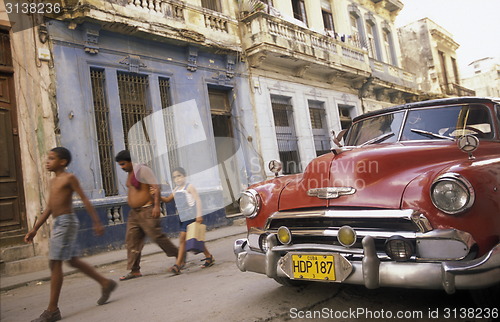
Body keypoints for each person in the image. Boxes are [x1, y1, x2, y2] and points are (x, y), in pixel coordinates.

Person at [25, 147, 117, 322]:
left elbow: (84, 199)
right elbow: (50, 207)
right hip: (59, 223)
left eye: (51, 158)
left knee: (55, 262)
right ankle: (106, 283)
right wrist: (35, 228)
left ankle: (52, 310)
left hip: (67, 222)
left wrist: (96, 222)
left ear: (63, 162)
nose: (47, 161)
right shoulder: (52, 182)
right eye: (48, 158)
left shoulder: (69, 178)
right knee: (72, 260)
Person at [115, 150, 178, 281]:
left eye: (123, 164)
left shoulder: (143, 170)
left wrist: (156, 206)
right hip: (134, 213)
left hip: (147, 210)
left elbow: (155, 187)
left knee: (157, 237)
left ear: (130, 161)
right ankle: (135, 270)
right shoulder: (130, 173)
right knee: (132, 240)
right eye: (120, 165)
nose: (122, 167)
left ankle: (179, 255)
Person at [160, 167, 214, 274]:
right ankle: (208, 256)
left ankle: (178, 264)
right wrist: (157, 195)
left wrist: (199, 215)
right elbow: (167, 200)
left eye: (179, 176)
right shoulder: (176, 189)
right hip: (183, 218)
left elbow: (198, 200)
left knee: (185, 239)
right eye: (175, 177)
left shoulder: (189, 187)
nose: (177, 179)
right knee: (193, 238)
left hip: (192, 216)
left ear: (185, 176)